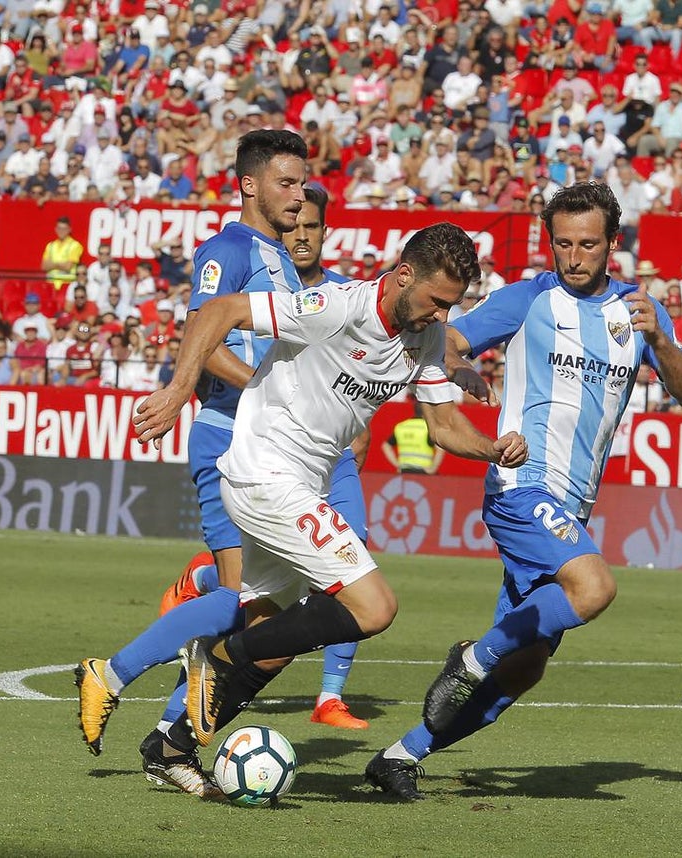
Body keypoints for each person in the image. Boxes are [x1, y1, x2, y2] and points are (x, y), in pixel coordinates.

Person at [131, 221, 528, 766]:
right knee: (374, 606)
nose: (443, 316)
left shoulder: (427, 337)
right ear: (403, 275)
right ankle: (213, 656)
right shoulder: (338, 307)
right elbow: (220, 311)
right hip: (266, 471)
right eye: (437, 301)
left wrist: (493, 448)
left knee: (275, 643)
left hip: (303, 483)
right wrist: (179, 390)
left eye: (452, 305)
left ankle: (170, 748)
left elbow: (443, 427)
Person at [363, 182, 682, 800]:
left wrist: (661, 341)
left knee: (524, 670)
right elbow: (447, 339)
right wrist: (462, 369)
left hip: (572, 505)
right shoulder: (528, 299)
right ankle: (471, 658)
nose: (573, 257)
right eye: (563, 244)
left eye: (587, 245)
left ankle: (401, 755)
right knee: (594, 587)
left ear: (612, 244)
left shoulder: (638, 312)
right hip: (522, 484)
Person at [73, 132, 374, 798]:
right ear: (250, 186)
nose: (301, 195)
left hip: (274, 452)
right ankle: (115, 676)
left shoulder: (282, 262)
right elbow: (203, 341)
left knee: (268, 610)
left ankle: (169, 739)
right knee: (245, 602)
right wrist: (263, 392)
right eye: (289, 183)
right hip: (227, 439)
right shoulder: (227, 251)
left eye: (304, 184)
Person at [157, 184, 378, 731]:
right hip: (245, 438)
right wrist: (216, 388)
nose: (301, 231)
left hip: (317, 453)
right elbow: (205, 328)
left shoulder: (334, 293)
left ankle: (329, 695)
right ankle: (162, 710)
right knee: (247, 599)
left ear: (326, 231)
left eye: (312, 223)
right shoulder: (236, 254)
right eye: (293, 217)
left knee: (347, 563)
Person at [382, 401, 445, 474]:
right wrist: (433, 468)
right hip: (424, 471)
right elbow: (440, 449)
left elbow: (386, 446)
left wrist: (397, 464)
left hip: (404, 470)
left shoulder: (401, 426)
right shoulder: (429, 428)